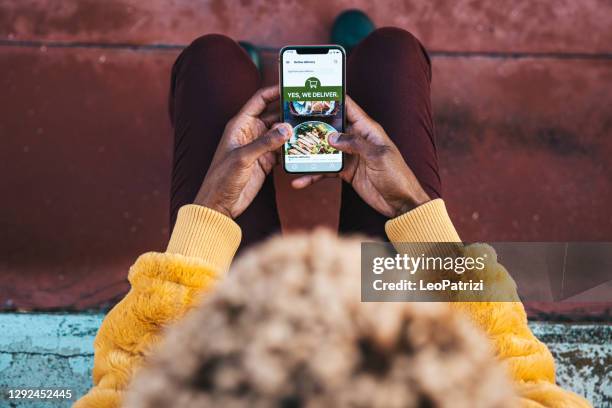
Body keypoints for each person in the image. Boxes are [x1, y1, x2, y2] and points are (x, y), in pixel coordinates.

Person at [74, 26, 590, 407]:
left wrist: (209, 214)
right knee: (393, 56)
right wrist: (411, 209)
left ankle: (287, 70)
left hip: (244, 359)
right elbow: (516, 373)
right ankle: (360, 66)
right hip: (387, 351)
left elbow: (129, 384)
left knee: (213, 65)